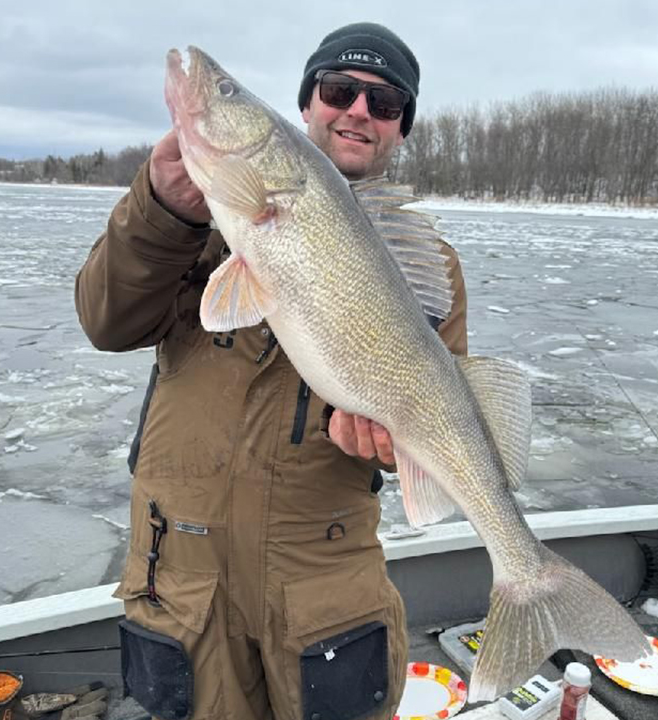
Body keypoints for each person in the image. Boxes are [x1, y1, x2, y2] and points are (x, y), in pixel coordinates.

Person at [75, 22, 468, 720]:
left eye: (384, 103)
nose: (358, 110)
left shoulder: (426, 267)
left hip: (323, 585)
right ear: (307, 103)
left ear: (401, 129)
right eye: (341, 90)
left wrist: (394, 442)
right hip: (180, 577)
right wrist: (163, 214)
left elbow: (444, 405)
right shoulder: (195, 215)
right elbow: (108, 323)